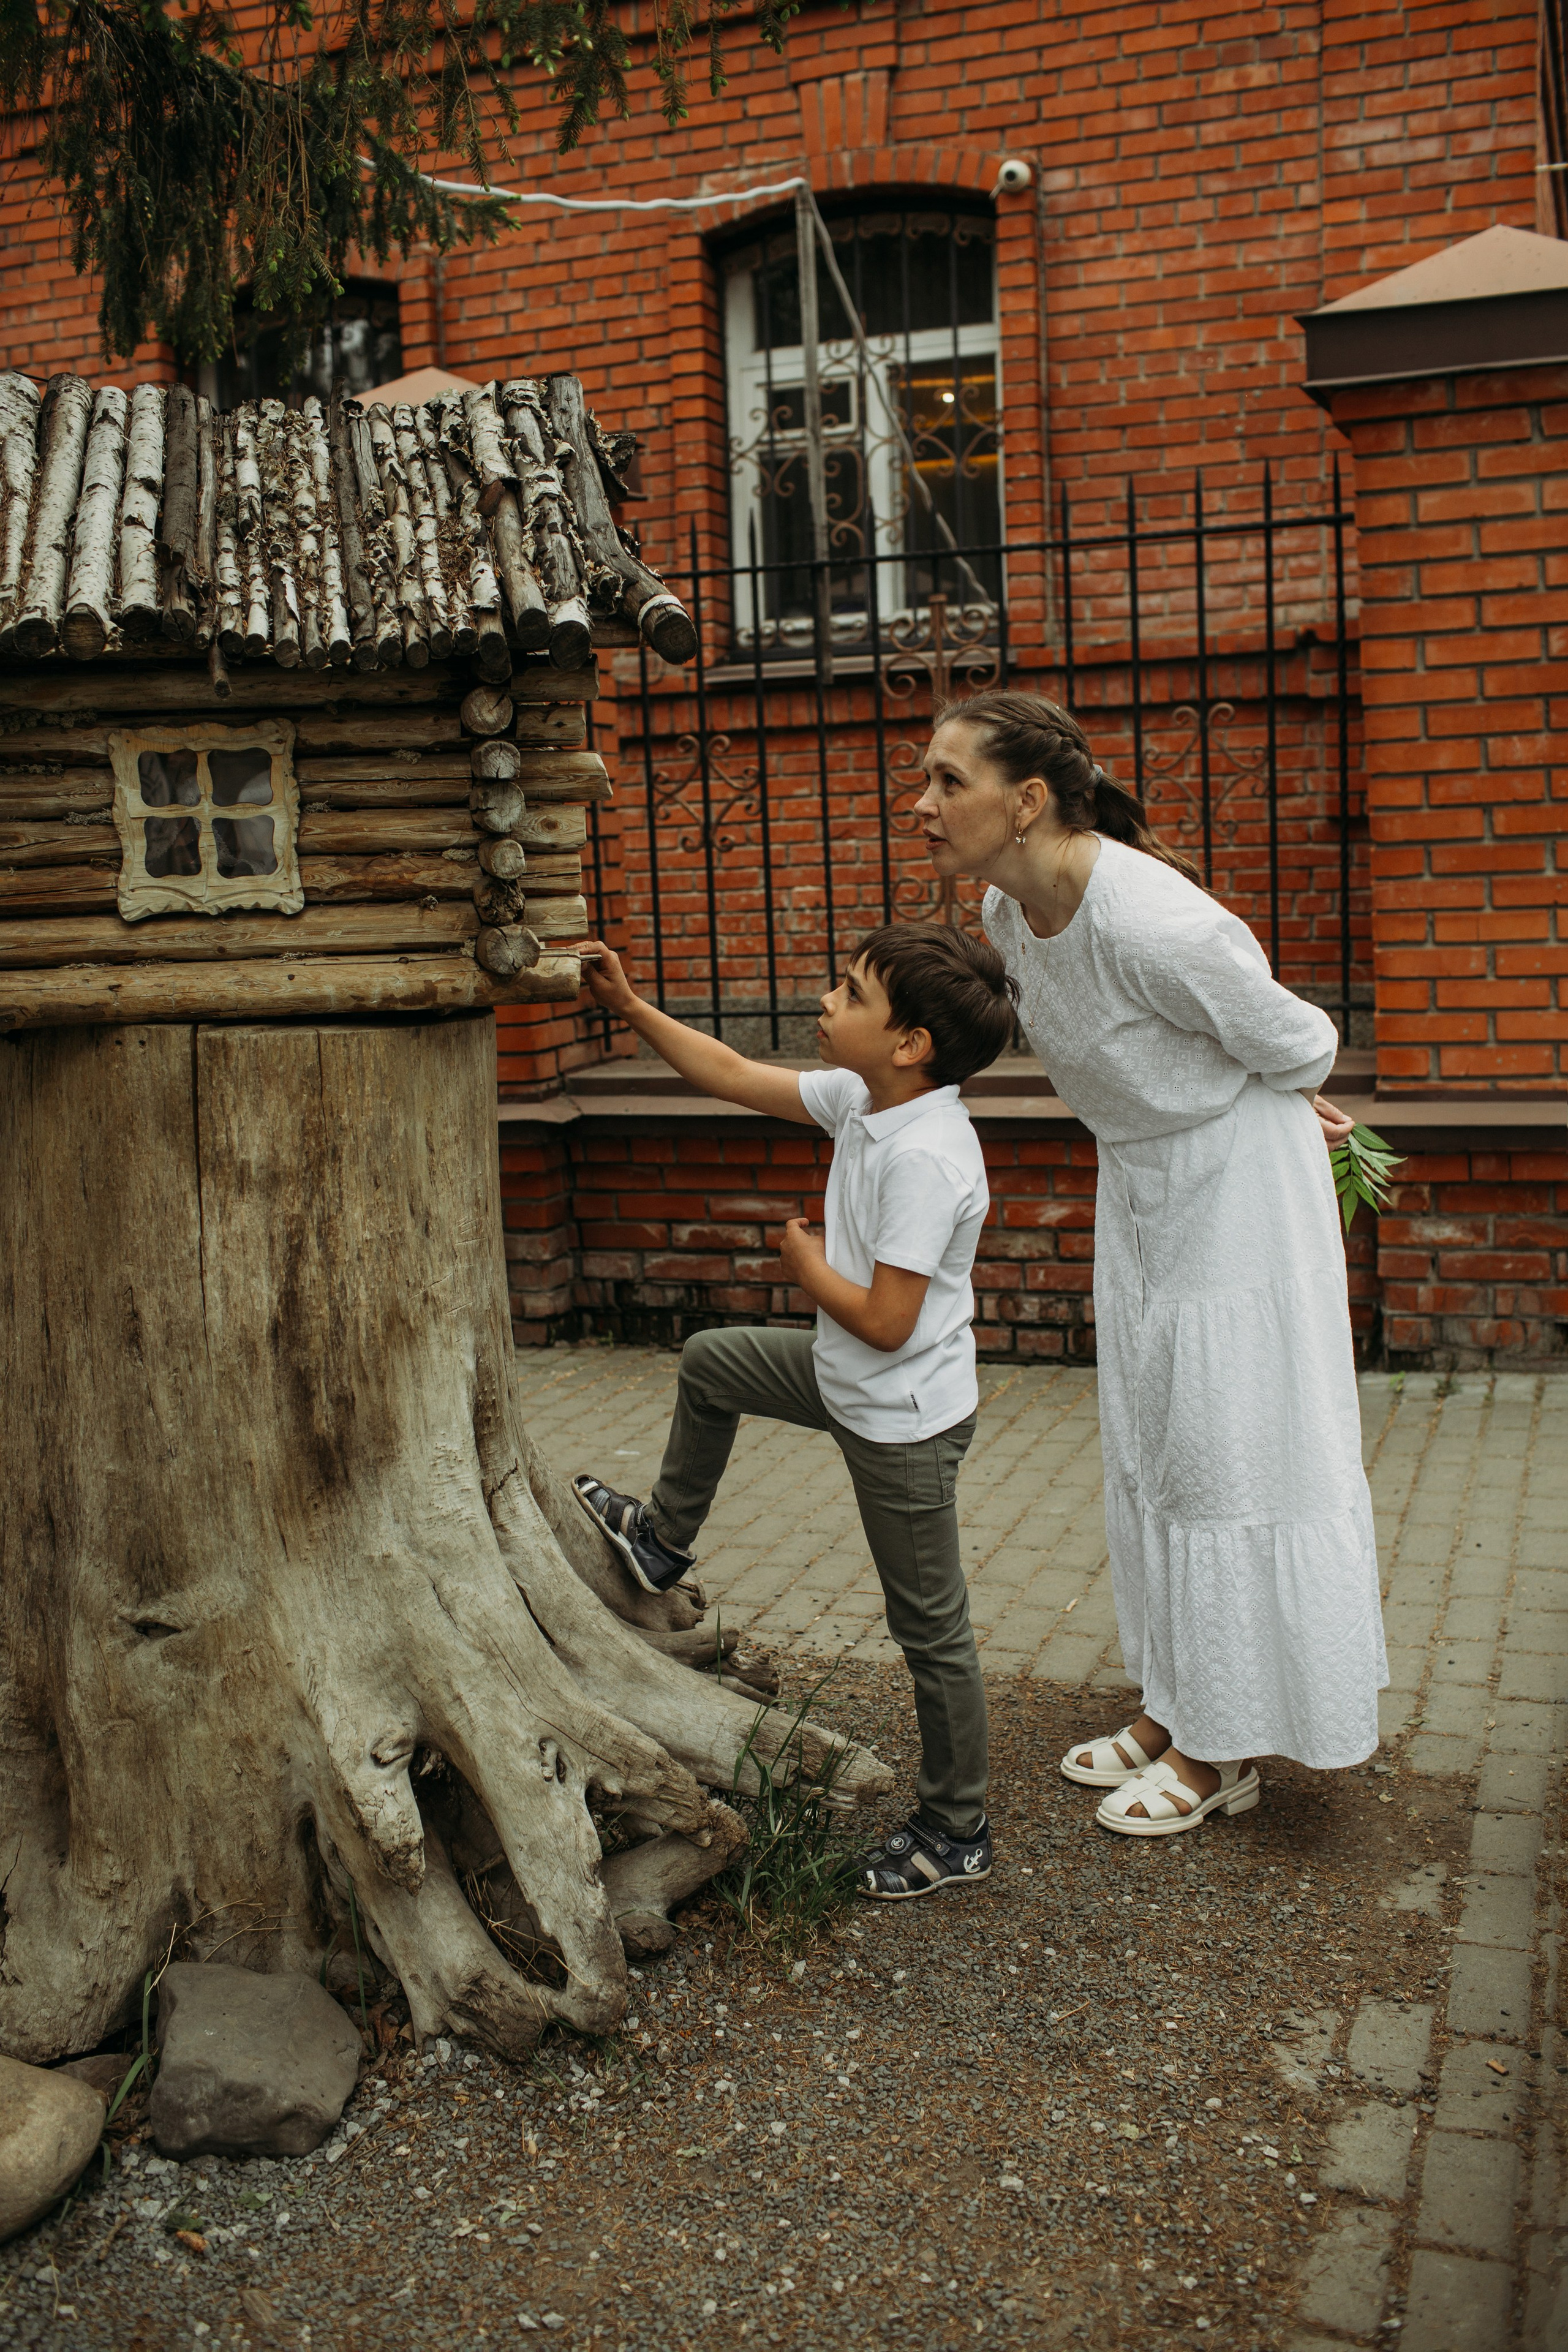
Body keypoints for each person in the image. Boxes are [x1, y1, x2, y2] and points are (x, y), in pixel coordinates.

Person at [913, 690, 1387, 1839]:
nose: (922, 804)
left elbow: (1300, 1039)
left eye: (946, 781)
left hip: (1236, 1194)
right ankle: (1181, 1706)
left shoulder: (1153, 919)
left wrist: (1283, 1103)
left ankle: (1223, 1749)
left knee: (1230, 1454)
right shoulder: (1009, 910)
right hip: (1143, 1184)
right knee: (1160, 1444)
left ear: (1026, 802)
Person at [574, 924, 1017, 1898]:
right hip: (846, 1376)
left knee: (931, 1631)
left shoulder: (926, 1160)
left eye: (851, 994)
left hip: (898, 1417)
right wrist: (631, 1008)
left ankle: (957, 1828)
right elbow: (731, 1072)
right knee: (714, 1362)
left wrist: (804, 1264)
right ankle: (660, 1540)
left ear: (912, 1045)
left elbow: (892, 1322)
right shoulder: (868, 1100)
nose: (826, 1001)